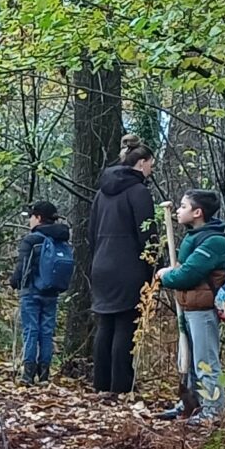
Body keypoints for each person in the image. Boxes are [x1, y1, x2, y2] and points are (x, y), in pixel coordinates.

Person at [153, 190, 225, 423]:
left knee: (205, 362)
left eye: (183, 206)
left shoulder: (214, 241)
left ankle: (213, 411)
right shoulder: (194, 236)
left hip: (203, 310)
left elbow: (187, 275)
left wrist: (167, 275)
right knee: (188, 359)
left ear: (198, 213)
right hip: (188, 307)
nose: (178, 210)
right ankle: (190, 403)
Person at [87, 137, 157, 396]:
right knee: (126, 324)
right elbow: (146, 234)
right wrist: (154, 266)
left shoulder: (101, 193)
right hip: (128, 266)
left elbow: (91, 232)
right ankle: (121, 386)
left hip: (102, 264)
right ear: (140, 164)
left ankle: (101, 384)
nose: (151, 170)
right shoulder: (139, 192)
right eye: (150, 164)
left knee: (105, 324)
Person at [11, 201, 74, 384]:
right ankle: (44, 374)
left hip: (31, 292)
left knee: (31, 330)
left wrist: (14, 282)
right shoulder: (61, 239)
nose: (30, 220)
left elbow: (22, 268)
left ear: (38, 217)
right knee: (46, 332)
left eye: (31, 216)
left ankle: (28, 374)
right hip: (52, 292)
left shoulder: (32, 240)